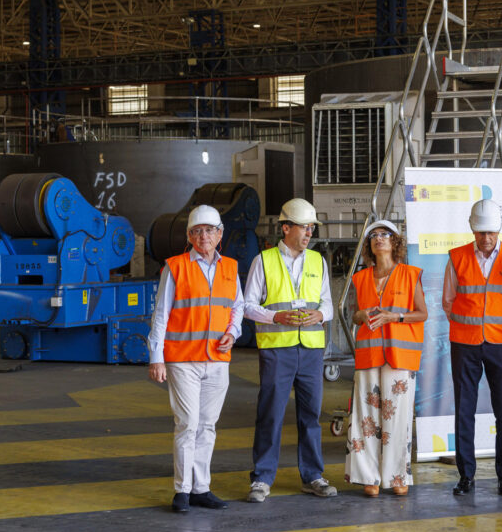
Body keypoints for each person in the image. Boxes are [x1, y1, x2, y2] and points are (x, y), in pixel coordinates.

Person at [148, 204, 243, 513]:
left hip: (217, 358)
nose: (205, 236)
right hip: (182, 359)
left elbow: (236, 307)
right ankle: (182, 490)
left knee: (208, 425)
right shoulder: (175, 267)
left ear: (220, 235)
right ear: (189, 236)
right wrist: (156, 357)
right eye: (198, 231)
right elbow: (160, 315)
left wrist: (234, 331)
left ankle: (201, 488)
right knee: (187, 423)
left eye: (211, 230)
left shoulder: (230, 267)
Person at [243, 198, 337, 503]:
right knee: (270, 414)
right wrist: (275, 316)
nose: (309, 233)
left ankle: (313, 476)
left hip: (310, 349)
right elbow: (246, 306)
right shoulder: (264, 261)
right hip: (277, 350)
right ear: (286, 228)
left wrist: (320, 316)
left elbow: (328, 305)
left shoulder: (317, 261)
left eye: (311, 228)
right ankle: (261, 479)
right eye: (303, 227)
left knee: (311, 415)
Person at [443, 199, 502, 496]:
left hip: (501, 344)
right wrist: (468, 327)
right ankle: (466, 476)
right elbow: (449, 302)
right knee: (464, 410)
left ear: (499, 229)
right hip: (464, 345)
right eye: (480, 232)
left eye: (490, 232)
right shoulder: (457, 257)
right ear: (472, 229)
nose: (486, 238)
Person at [345, 220, 428, 497]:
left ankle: (396, 476)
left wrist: (394, 316)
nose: (379, 239)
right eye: (374, 235)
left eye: (385, 235)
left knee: (398, 417)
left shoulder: (410, 274)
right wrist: (363, 314)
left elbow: (422, 313)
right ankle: (369, 477)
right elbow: (355, 315)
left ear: (395, 242)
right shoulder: (360, 278)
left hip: (400, 355)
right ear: (369, 245)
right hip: (369, 354)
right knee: (366, 417)